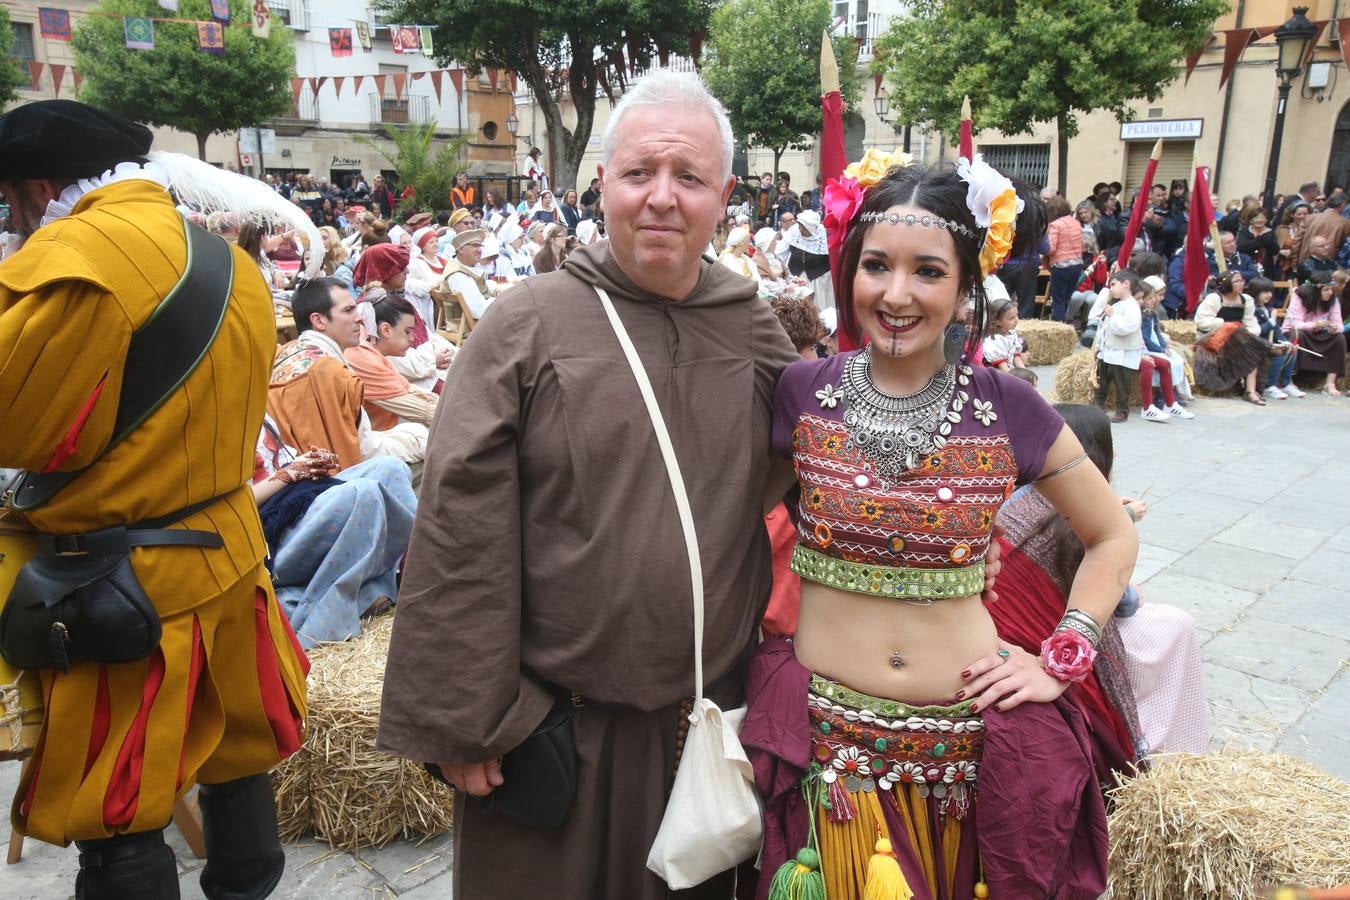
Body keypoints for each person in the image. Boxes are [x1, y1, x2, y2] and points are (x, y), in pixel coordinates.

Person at [376, 68, 800, 899]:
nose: (661, 198)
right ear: (600, 183)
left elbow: (821, 471)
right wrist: (469, 720)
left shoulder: (752, 326)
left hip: (704, 735)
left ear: (725, 195)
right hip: (555, 729)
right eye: (639, 173)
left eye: (689, 177)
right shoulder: (526, 323)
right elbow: (461, 527)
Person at [746, 156, 1129, 900]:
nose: (896, 294)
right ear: (849, 271)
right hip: (826, 756)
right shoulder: (801, 392)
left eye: (927, 271)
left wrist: (1060, 659)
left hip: (969, 759)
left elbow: (1113, 538)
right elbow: (732, 517)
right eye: (876, 266)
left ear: (962, 291)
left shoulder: (1009, 407)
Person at [0, 99, 307, 898]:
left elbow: (19, 428)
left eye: (8, 200)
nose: (10, 215)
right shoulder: (229, 262)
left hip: (123, 584)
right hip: (230, 552)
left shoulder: (82, 255)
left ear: (39, 186)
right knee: (236, 756)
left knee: (117, 800)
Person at [993, 404, 1208, 761]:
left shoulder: (1012, 496)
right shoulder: (1072, 526)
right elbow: (1121, 601)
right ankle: (1149, 740)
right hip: (1036, 642)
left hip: (1003, 635)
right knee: (1175, 626)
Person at [252, 420, 416, 647]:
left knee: (391, 467)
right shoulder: (206, 424)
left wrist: (310, 463)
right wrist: (288, 474)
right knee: (363, 493)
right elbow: (231, 503)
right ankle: (359, 595)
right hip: (269, 533)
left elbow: (282, 465)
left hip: (296, 500)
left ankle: (417, 570)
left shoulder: (254, 407)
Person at [269, 278, 428, 468]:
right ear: (319, 320)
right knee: (427, 447)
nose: (360, 318)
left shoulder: (286, 351)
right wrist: (417, 442)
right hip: (326, 478)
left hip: (290, 469)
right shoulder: (332, 373)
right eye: (348, 310)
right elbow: (363, 452)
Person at [345, 292, 440, 428]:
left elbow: (406, 389)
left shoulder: (369, 351)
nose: (412, 338)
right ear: (386, 330)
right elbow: (424, 412)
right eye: (407, 331)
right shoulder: (362, 355)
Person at [1193, 271, 1267, 405]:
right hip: (1213, 337)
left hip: (1237, 338)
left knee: (1251, 350)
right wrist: (1225, 324)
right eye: (1237, 281)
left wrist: (1245, 332)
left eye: (1242, 280)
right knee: (1233, 330)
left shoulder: (1246, 300)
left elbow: (1250, 323)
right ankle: (1270, 347)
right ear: (1227, 284)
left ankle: (1250, 391)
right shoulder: (1215, 298)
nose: (1241, 284)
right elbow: (1201, 321)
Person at [1139, 274, 1195, 404]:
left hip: (1156, 345)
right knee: (1165, 361)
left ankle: (1173, 392)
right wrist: (1161, 349)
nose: (1161, 299)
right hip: (1147, 348)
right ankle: (1161, 394)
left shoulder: (1152, 312)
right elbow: (1146, 338)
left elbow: (1157, 333)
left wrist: (1164, 346)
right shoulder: (1143, 314)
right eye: (1158, 295)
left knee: (1177, 359)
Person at [1288, 279, 1346, 396]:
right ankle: (1289, 381)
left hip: (1319, 333)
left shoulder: (1333, 300)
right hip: (1300, 331)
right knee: (1298, 335)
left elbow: (1340, 325)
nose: (1330, 292)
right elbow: (1294, 324)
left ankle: (1330, 383)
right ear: (1315, 291)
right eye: (1326, 290)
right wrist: (1313, 325)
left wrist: (1334, 328)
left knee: (1339, 338)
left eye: (1331, 289)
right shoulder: (1299, 297)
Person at [1247, 276, 1301, 400]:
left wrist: (1284, 341)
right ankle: (1269, 386)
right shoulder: (1252, 309)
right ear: (1256, 292)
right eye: (1265, 292)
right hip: (1257, 343)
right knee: (1280, 354)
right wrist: (1272, 320)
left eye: (1270, 292)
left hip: (1269, 342)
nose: (1269, 295)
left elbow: (1276, 329)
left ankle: (1285, 383)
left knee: (1291, 349)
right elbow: (1258, 331)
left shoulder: (1269, 308)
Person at [784, 209, 833, 312]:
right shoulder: (794, 232)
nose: (801, 230)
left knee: (816, 308)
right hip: (796, 277)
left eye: (805, 228)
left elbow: (833, 260)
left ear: (812, 228)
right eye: (800, 226)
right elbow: (781, 252)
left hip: (819, 280)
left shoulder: (824, 237)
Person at [1045, 195, 1084, 321]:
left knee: (1058, 301)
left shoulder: (1055, 225)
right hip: (1077, 265)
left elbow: (1050, 248)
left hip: (1061, 266)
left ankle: (1058, 327)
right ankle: (1065, 326)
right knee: (1067, 298)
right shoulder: (1076, 223)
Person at [443, 228, 495, 319]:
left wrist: (494, 290)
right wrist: (501, 300)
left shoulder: (471, 265)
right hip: (472, 328)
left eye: (480, 246)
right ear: (461, 249)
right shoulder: (458, 275)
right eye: (475, 246)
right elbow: (478, 311)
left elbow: (482, 284)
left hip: (481, 321)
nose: (479, 250)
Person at [1297, 191, 1350, 265]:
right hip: (1328, 266)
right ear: (1342, 204)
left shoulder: (1309, 218)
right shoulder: (1346, 223)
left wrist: (1294, 264)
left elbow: (1297, 241)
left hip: (1304, 261)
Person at [982, 297, 1028, 370]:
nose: (1016, 320)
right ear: (998, 322)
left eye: (1016, 315)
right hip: (998, 374)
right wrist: (1016, 380)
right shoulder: (995, 340)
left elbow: (1017, 359)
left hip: (1009, 370)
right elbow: (1003, 367)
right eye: (1011, 318)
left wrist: (1026, 375)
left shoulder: (1012, 333)